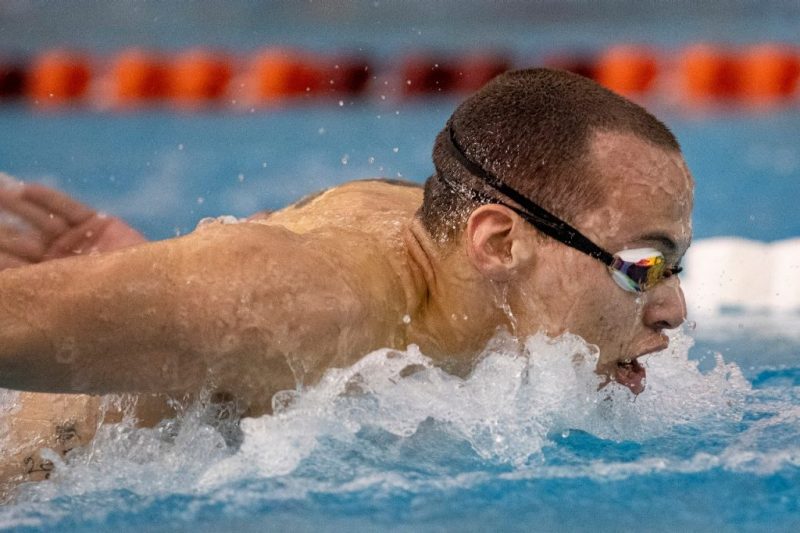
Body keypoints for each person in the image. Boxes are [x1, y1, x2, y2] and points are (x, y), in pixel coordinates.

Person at [0, 68, 691, 494]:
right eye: (641, 264)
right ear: (501, 242)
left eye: (675, 265)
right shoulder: (304, 303)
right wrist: (202, 301)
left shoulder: (432, 240)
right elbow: (280, 286)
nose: (674, 308)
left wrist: (156, 294)